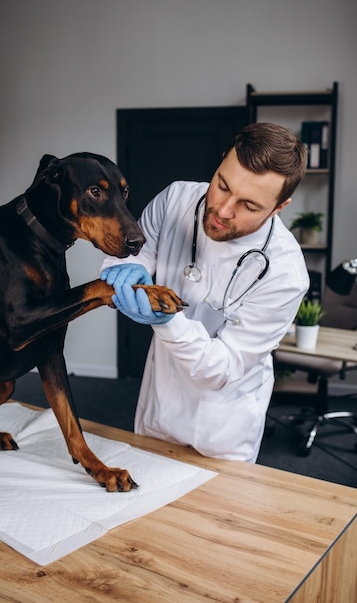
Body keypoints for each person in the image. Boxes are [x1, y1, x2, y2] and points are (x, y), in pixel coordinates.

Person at [100, 122, 309, 463]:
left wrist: (166, 318)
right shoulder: (176, 200)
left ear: (279, 207)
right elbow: (127, 256)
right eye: (222, 185)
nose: (224, 211)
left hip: (224, 424)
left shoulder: (284, 274)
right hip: (160, 401)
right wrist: (118, 272)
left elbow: (222, 367)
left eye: (250, 206)